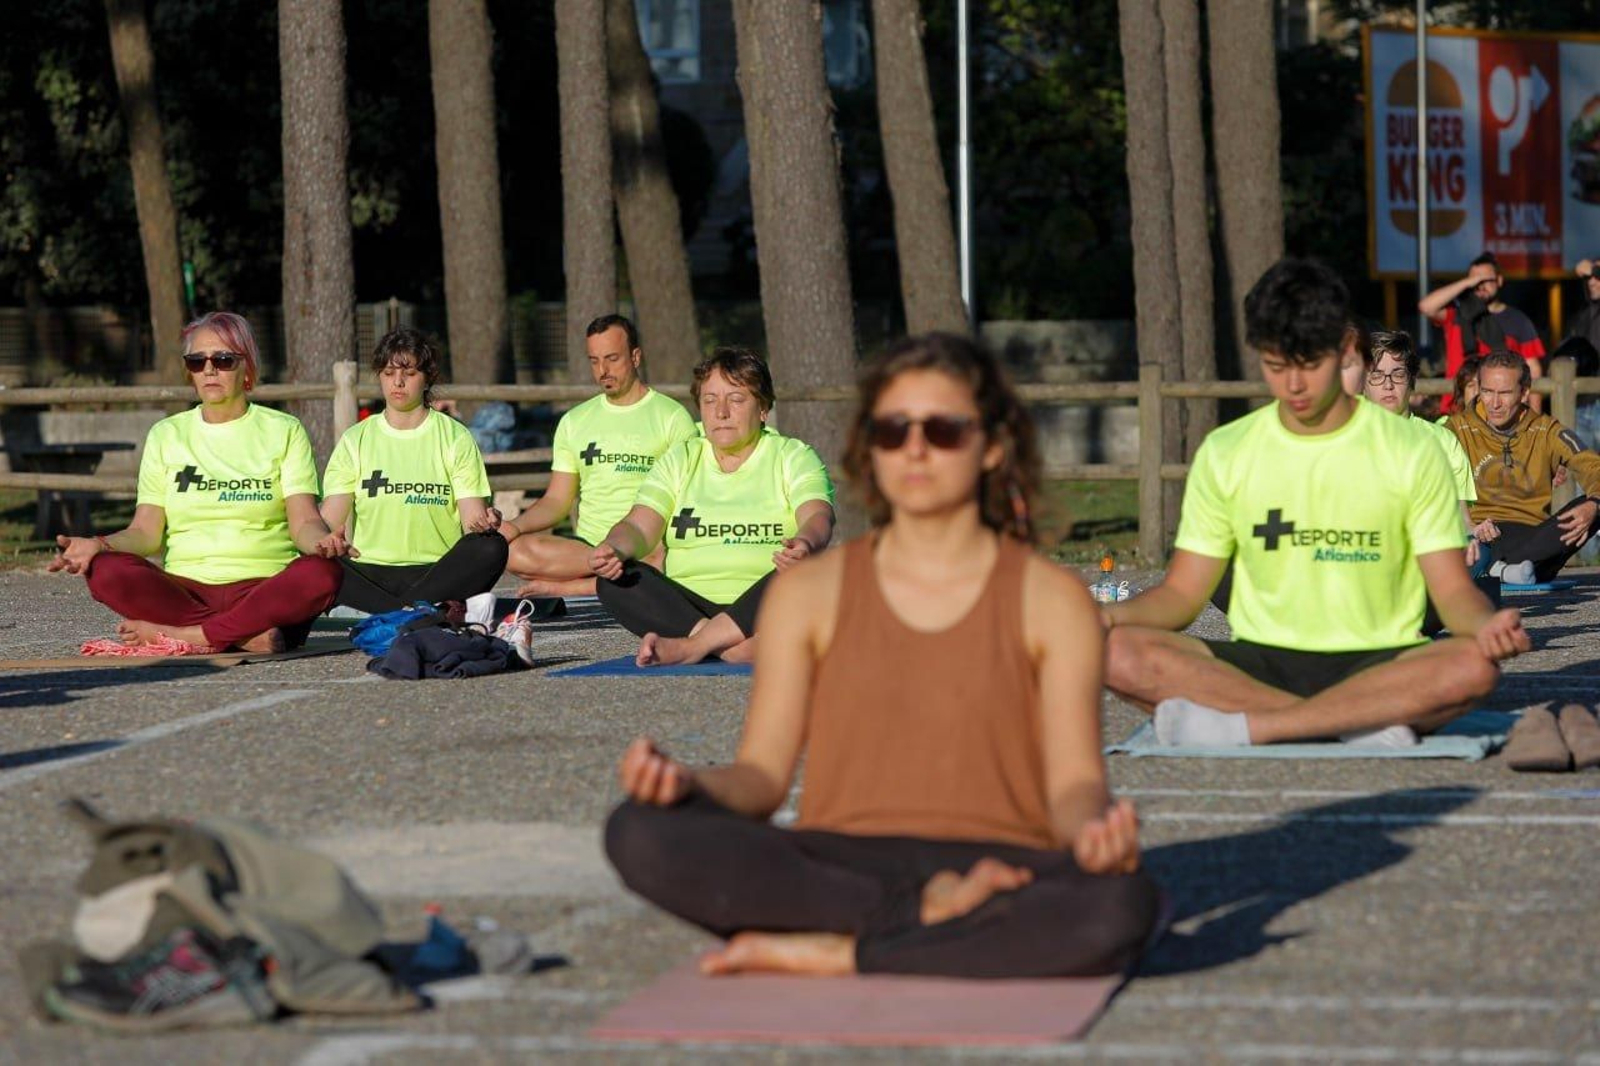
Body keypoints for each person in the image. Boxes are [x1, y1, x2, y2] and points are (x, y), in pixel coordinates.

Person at [603, 332, 1160, 979]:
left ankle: (844, 950)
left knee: (1122, 903)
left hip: (999, 859)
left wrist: (1094, 834)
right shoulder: (808, 593)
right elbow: (759, 780)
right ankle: (935, 922)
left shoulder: (1052, 598)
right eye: (894, 430)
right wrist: (688, 784)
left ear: (993, 446)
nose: (916, 448)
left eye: (943, 429)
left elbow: (1074, 784)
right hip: (841, 863)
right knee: (637, 832)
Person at [1104, 259, 1528, 749]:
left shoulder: (1414, 449)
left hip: (1379, 656)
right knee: (1117, 653)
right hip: (1263, 659)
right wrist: (1107, 617)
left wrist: (1485, 624)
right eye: (1276, 366)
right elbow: (1180, 596)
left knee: (1472, 666)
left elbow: (1452, 594)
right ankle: (1361, 721)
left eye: (1310, 364)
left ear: (1348, 352)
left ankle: (1253, 728)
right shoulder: (1225, 451)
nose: (1294, 386)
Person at [48, 312, 345, 652]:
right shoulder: (167, 435)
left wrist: (322, 542)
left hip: (263, 587)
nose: (209, 369)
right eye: (196, 360)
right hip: (184, 590)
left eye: (223, 359)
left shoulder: (284, 430)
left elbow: (304, 521)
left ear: (246, 367)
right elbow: (145, 532)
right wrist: (99, 544)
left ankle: (193, 636)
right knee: (105, 571)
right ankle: (245, 635)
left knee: (323, 574)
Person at [590, 347, 836, 666]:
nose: (720, 412)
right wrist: (614, 548)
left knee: (811, 571)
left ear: (762, 408)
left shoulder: (793, 455)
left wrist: (804, 543)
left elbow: (818, 515)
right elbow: (639, 527)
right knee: (615, 580)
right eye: (709, 400)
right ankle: (733, 647)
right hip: (689, 609)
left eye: (735, 399)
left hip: (767, 601)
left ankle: (694, 647)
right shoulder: (681, 458)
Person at [500, 315, 696, 598]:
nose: (603, 370)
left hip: (645, 544)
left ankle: (577, 585)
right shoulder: (574, 421)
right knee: (512, 551)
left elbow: (687, 497)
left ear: (636, 356)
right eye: (594, 360)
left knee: (671, 558)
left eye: (612, 358)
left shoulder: (672, 417)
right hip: (587, 550)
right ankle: (613, 571)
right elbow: (556, 501)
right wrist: (513, 527)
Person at [319, 329, 508, 614]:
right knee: (313, 561)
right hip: (371, 572)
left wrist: (486, 522)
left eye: (408, 373)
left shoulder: (455, 436)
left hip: (437, 571)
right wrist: (327, 539)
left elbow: (472, 522)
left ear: (427, 377)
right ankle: (418, 612)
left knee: (491, 547)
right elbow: (329, 521)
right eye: (387, 372)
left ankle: (390, 614)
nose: (397, 382)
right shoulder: (355, 439)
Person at [1446, 351, 1600, 584]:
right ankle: (1511, 568)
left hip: (1538, 536)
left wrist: (1594, 505)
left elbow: (1591, 465)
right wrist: (1469, 526)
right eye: (1487, 391)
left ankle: (1502, 570)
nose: (1494, 404)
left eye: (1505, 393)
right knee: (1476, 546)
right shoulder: (1456, 429)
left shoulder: (1546, 430)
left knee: (1592, 505)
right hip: (1483, 534)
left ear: (1525, 392)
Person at [1420, 251, 1546, 413]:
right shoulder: (1457, 314)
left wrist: (1534, 417)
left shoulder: (1518, 320)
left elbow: (1533, 371)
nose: (1479, 285)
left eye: (1485, 280)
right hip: (1456, 408)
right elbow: (1426, 307)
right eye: (1474, 280)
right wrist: (1465, 283)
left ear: (1499, 280)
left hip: (1500, 411)